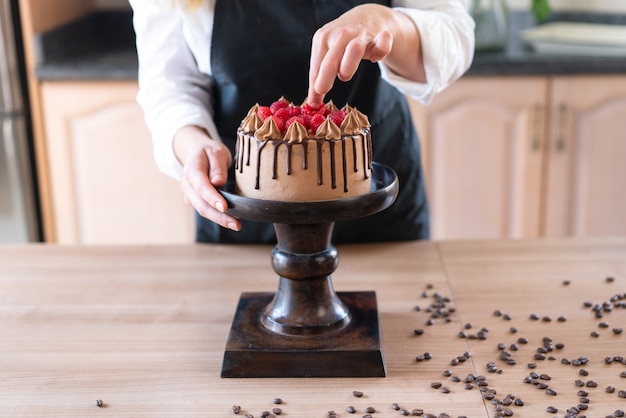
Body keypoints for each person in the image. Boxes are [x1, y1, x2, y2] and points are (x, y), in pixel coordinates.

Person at [129, 0, 475, 244]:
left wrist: (387, 23)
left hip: (376, 204)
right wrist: (193, 145)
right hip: (243, 208)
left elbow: (453, 34)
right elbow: (170, 83)